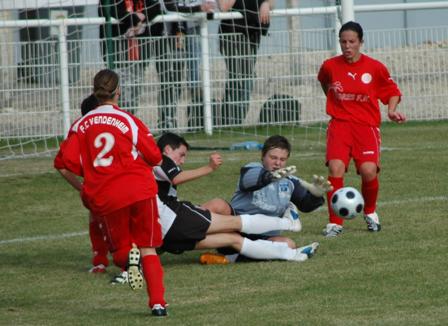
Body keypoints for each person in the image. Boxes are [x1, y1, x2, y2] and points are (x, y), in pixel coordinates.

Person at [56, 69, 168, 317]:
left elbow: (62, 164)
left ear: (94, 92)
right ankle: (158, 303)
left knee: (120, 252)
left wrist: (83, 186)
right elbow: (155, 157)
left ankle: (129, 264)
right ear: (118, 92)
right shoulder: (128, 120)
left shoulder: (81, 124)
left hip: (106, 195)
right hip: (140, 190)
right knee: (148, 247)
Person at [317, 21, 406, 237]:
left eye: (352, 42)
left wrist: (392, 110)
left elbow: (392, 91)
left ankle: (370, 212)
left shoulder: (374, 68)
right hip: (340, 125)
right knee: (335, 169)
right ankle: (335, 223)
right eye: (343, 42)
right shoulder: (330, 66)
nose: (347, 46)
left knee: (368, 171)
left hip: (366, 127)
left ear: (361, 42)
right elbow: (324, 83)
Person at [204, 135, 332, 263]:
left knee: (289, 244)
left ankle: (231, 258)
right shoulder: (253, 168)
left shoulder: (290, 181)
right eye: (273, 157)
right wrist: (269, 177)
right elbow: (249, 180)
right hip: (233, 229)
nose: (277, 163)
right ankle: (188, 227)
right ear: (263, 156)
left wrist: (316, 195)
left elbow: (305, 205)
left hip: (263, 238)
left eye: (282, 159)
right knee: (217, 204)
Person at [55, 94, 110, 274]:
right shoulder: (112, 124)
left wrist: (81, 187)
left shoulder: (78, 128)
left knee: (95, 219)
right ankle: (129, 264)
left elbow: (61, 165)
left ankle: (100, 260)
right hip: (118, 184)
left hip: (93, 187)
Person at [217, 0, 272, 125]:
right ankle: (231, 122)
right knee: (237, 79)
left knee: (248, 78)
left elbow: (271, 3)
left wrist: (265, 4)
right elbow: (223, 6)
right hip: (232, 33)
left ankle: (236, 121)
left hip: (252, 33)